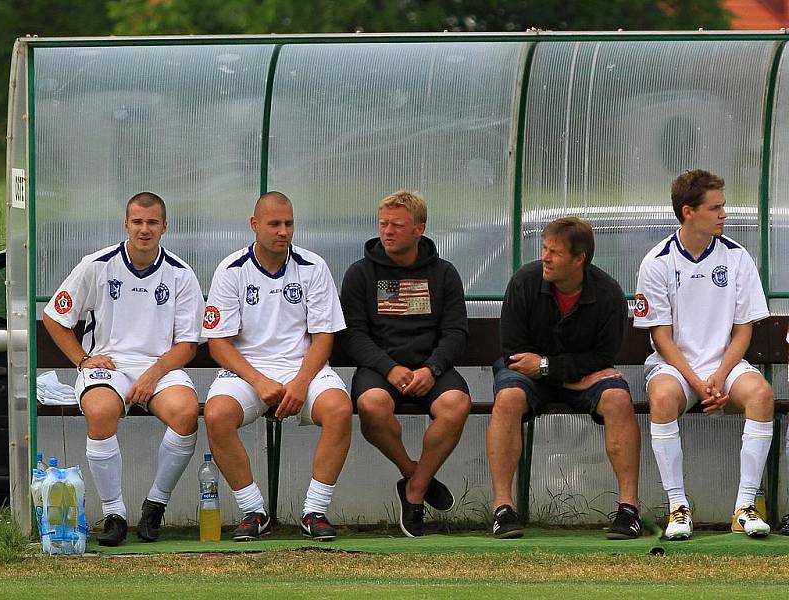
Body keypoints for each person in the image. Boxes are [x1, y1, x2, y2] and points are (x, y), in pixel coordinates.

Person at [43, 192, 204, 546]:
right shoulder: (96, 264)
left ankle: (155, 506)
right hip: (108, 364)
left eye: (152, 223)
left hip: (159, 366)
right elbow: (54, 317)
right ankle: (114, 514)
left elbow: (188, 345)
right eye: (137, 222)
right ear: (126, 224)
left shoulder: (180, 273)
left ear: (164, 226)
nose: (144, 230)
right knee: (100, 412)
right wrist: (82, 360)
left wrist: (152, 374)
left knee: (186, 413)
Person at [202, 191, 352, 541]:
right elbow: (218, 343)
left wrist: (301, 382)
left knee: (340, 409)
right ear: (255, 225)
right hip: (247, 371)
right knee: (217, 414)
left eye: (288, 224)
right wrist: (258, 381)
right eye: (274, 224)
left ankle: (314, 511)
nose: (283, 231)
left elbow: (324, 337)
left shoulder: (313, 266)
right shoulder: (231, 269)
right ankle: (253, 511)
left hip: (303, 368)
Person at [635, 169, 774, 539]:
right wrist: (697, 382)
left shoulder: (737, 257)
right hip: (675, 367)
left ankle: (744, 508)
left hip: (725, 366)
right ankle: (678, 509)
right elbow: (661, 337)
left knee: (761, 395)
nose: (724, 214)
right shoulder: (657, 262)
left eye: (723, 206)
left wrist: (718, 375)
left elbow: (744, 329)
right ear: (688, 212)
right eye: (715, 208)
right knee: (662, 397)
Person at [487, 217, 642, 540]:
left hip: (574, 373)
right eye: (544, 248)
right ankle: (503, 509)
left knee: (617, 398)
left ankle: (629, 509)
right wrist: (555, 372)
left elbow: (603, 358)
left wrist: (547, 368)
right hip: (528, 373)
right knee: (508, 398)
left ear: (579, 258)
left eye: (554, 252)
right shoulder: (523, 282)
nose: (545, 257)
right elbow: (514, 353)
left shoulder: (609, 293)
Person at [340, 190, 471, 538]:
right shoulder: (360, 274)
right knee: (372, 404)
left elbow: (456, 332)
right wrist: (388, 368)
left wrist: (433, 369)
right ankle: (415, 473)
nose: (388, 231)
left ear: (419, 230)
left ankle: (413, 491)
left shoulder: (444, 274)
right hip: (380, 369)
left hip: (431, 369)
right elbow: (353, 335)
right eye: (383, 224)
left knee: (456, 404)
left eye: (397, 225)